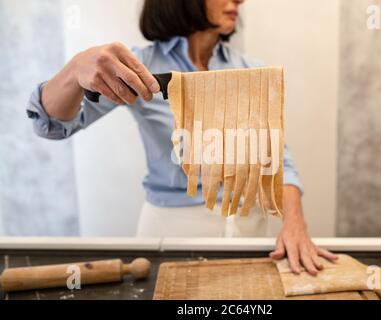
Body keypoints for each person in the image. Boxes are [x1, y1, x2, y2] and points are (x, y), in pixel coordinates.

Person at [26, 0, 337, 275]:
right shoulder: (139, 69)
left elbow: (278, 159)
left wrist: (295, 223)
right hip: (172, 234)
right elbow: (51, 125)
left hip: (251, 233)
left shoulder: (252, 70)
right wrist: (75, 70)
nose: (240, 0)